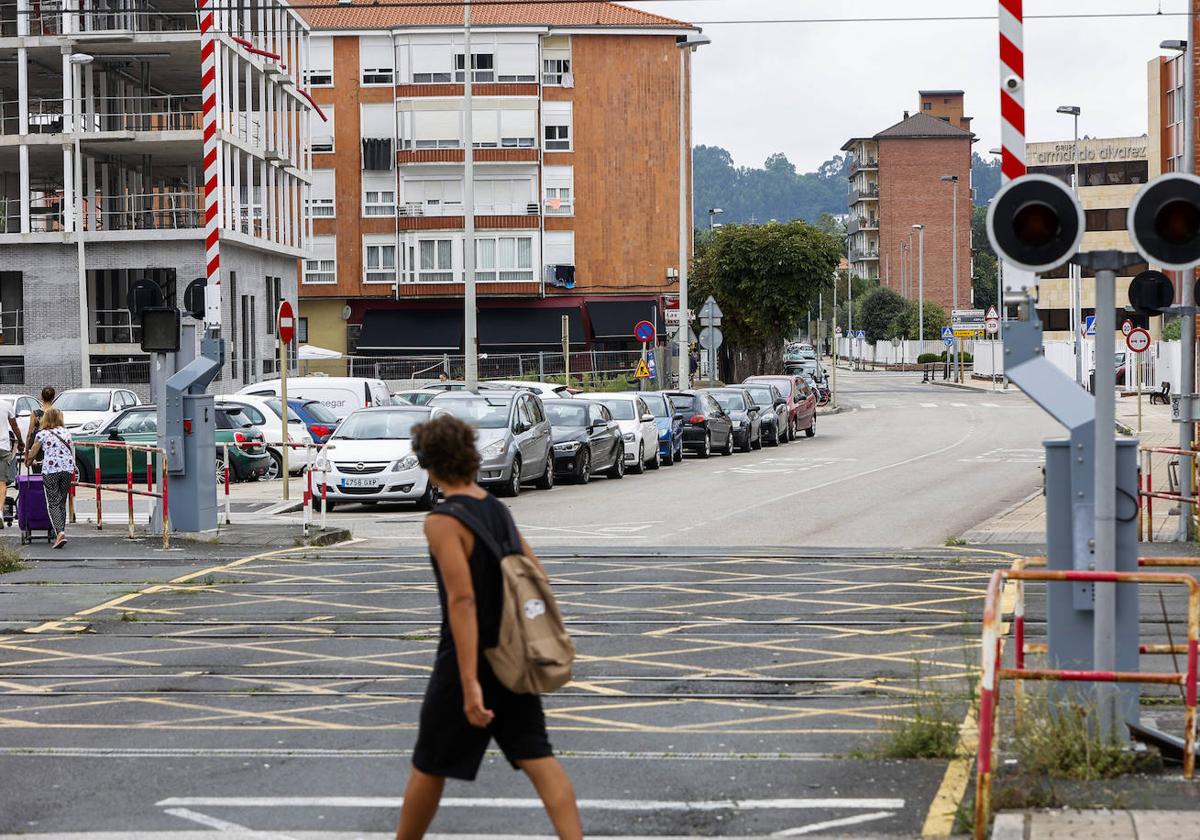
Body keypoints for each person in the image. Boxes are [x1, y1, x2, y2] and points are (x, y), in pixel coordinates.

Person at [395, 415, 581, 840]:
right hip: (514, 653)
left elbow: (462, 602)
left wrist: (469, 683)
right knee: (538, 758)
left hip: (470, 658)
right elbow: (536, 574)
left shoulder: (443, 521)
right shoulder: (496, 509)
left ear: (430, 464)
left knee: (429, 765)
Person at [25, 407, 71, 549]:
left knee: (53, 502)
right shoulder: (66, 432)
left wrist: (28, 460)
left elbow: (33, 452)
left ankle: (60, 533)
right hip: (67, 469)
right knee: (62, 501)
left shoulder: (42, 434)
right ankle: (61, 531)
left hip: (51, 470)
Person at [0, 396, 24, 524]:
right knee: (2, 482)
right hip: (3, 448)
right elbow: (15, 427)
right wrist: (20, 442)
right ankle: (0, 513)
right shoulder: (6, 405)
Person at [26, 387, 54, 473]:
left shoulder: (35, 413)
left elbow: (29, 435)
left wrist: (26, 451)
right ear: (53, 397)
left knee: (37, 476)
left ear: (41, 397)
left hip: (37, 447)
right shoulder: (57, 413)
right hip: (52, 447)